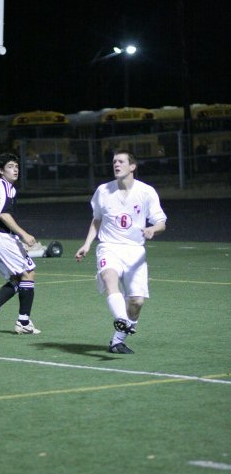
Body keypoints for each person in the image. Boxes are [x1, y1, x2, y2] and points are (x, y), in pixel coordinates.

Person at [75, 149, 167, 354]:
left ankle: (118, 340)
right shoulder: (103, 191)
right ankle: (121, 318)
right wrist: (87, 244)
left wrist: (153, 228)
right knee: (109, 277)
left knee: (136, 301)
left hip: (135, 251)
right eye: (114, 161)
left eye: (121, 161)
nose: (116, 164)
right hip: (109, 246)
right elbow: (97, 219)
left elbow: (161, 222)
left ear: (132, 167)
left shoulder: (146, 192)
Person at [0, 152, 41, 334]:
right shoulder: (4, 187)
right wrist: (24, 234)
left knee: (16, 279)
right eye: (10, 167)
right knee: (28, 273)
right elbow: (4, 214)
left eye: (16, 166)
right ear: (1, 171)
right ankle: (23, 322)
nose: (15, 170)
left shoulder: (0, 187)